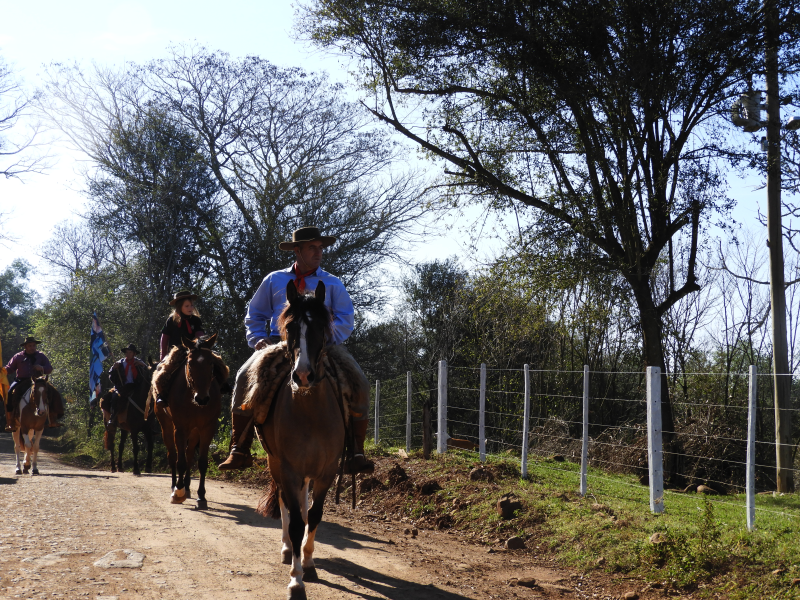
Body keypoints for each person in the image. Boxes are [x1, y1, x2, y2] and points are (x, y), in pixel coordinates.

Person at [218, 226, 374, 474]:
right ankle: (240, 447)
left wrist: (325, 340)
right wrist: (257, 339)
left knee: (360, 382)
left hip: (323, 346)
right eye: (312, 247)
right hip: (277, 343)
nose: (318, 252)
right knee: (242, 377)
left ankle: (356, 451)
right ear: (297, 250)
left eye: (320, 247)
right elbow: (255, 314)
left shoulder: (332, 283)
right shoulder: (274, 280)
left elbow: (346, 317)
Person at [154, 291, 206, 408]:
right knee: (163, 371)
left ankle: (222, 384)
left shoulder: (196, 320)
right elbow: (164, 338)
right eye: (187, 306)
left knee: (213, 360)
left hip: (193, 349)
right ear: (179, 307)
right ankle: (161, 395)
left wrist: (201, 341)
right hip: (176, 351)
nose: (190, 308)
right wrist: (163, 357)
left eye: (191, 305)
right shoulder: (171, 320)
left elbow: (199, 334)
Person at [4, 336, 57, 431]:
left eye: (34, 345)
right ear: (25, 347)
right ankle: (10, 422)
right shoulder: (18, 356)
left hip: (38, 381)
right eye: (30, 346)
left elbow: (49, 369)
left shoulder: (41, 356)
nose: (32, 347)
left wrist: (41, 368)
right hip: (21, 380)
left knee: (53, 392)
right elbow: (10, 368)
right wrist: (3, 370)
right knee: (10, 393)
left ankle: (52, 420)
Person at [106, 343, 148, 426]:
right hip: (122, 387)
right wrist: (114, 369)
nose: (128, 354)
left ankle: (150, 423)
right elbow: (110, 374)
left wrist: (142, 365)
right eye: (127, 352)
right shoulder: (120, 362)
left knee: (148, 398)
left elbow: (148, 371)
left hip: (136, 386)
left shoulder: (139, 362)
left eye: (130, 352)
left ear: (134, 354)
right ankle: (113, 418)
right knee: (115, 398)